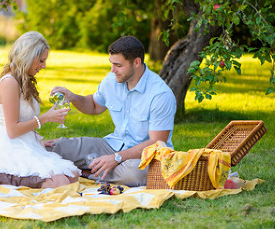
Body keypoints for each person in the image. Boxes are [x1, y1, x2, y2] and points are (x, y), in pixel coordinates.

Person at [43, 36, 177, 187]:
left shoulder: (160, 95)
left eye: (118, 65)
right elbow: (93, 106)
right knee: (57, 147)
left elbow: (157, 143)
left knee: (134, 173)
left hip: (144, 156)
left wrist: (117, 158)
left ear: (137, 62)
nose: (112, 70)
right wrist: (73, 97)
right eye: (111, 64)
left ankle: (84, 171)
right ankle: (96, 170)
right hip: (112, 145)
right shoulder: (112, 80)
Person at [0, 31, 80, 189]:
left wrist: (38, 142)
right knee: (60, 182)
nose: (44, 66)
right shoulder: (10, 83)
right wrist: (45, 118)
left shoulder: (24, 81)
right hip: (9, 145)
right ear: (28, 56)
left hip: (24, 142)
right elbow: (12, 130)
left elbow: (25, 120)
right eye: (41, 61)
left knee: (72, 175)